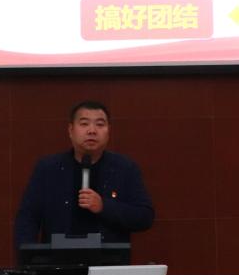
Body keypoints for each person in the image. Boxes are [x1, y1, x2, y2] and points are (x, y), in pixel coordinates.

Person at [13, 100, 154, 249]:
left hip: (109, 259)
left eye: (100, 124)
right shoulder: (48, 169)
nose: (92, 130)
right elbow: (27, 218)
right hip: (57, 258)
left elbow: (144, 217)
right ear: (71, 130)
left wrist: (104, 206)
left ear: (108, 131)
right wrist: (29, 257)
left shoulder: (125, 168)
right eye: (84, 124)